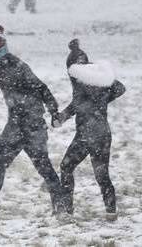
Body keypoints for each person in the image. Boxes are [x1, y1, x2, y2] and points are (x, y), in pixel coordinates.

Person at [0, 26, 68, 217]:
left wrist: (54, 111)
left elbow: (42, 88)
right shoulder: (5, 64)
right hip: (20, 125)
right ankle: (59, 206)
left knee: (38, 166)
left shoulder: (17, 66)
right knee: (13, 164)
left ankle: (60, 207)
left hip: (28, 125)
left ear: (0, 49)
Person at [52, 39, 126, 218]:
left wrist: (62, 117)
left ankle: (67, 210)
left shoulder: (81, 81)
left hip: (87, 135)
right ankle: (111, 211)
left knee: (66, 166)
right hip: (102, 133)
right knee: (102, 175)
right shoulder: (96, 83)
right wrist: (103, 92)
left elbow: (79, 104)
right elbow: (120, 88)